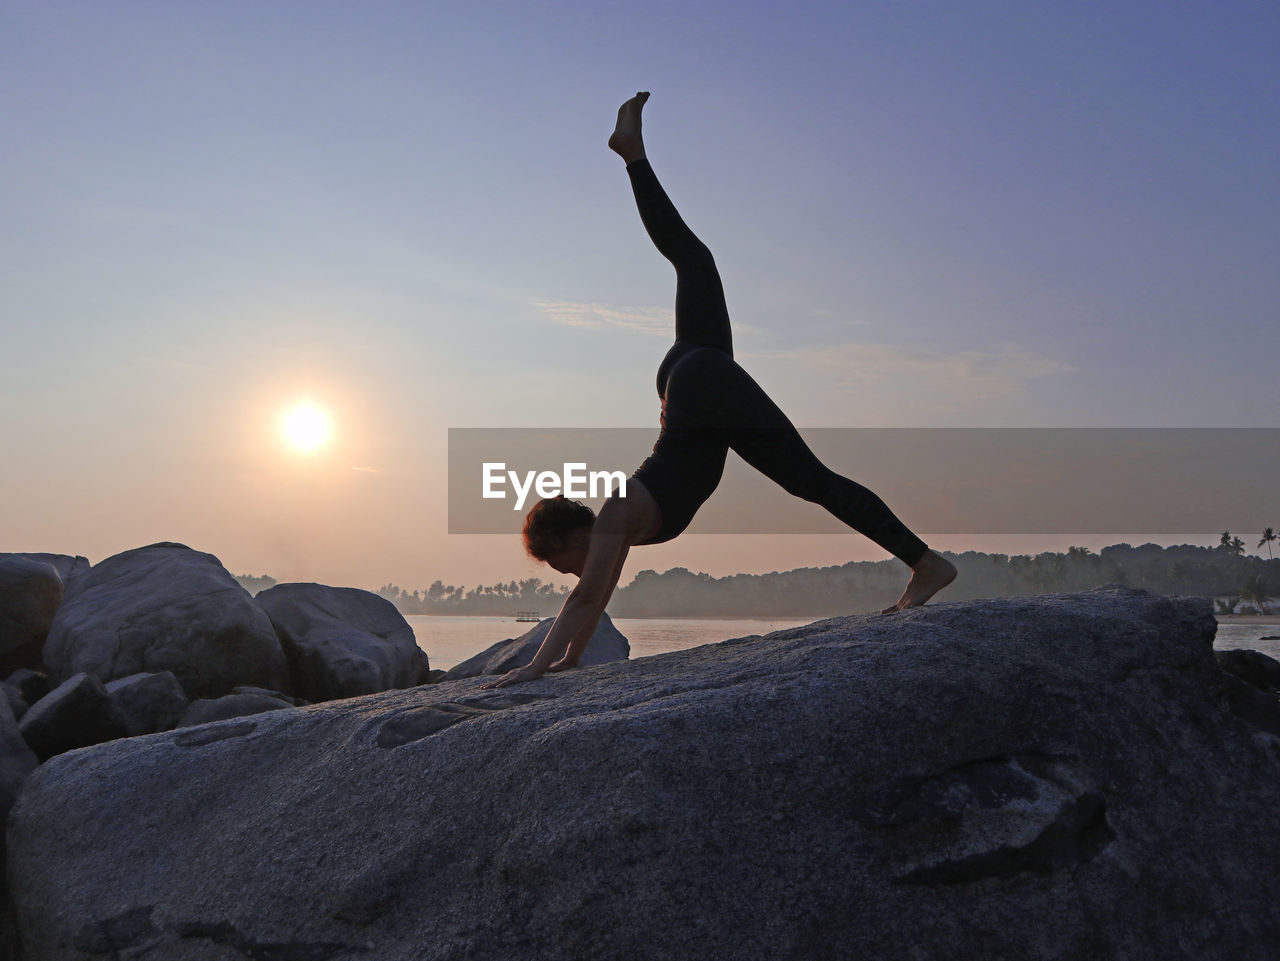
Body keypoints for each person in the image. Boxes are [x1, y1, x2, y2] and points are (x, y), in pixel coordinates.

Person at [481, 92, 956, 690]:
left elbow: (583, 602)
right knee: (694, 260)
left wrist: (533, 666)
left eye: (557, 562)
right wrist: (569, 662)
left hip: (697, 388)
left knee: (814, 481)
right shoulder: (616, 524)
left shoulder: (610, 523)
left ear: (572, 537)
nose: (566, 574)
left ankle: (927, 564)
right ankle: (633, 156)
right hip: (692, 384)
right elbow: (593, 603)